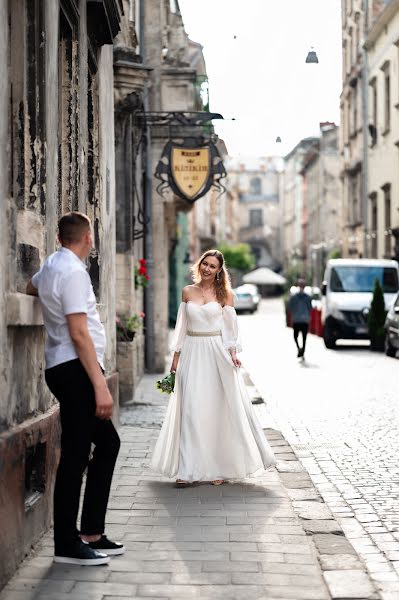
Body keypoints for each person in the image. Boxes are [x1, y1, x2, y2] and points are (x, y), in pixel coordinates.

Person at [26, 212, 124, 566]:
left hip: (64, 367)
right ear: (88, 238)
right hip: (76, 370)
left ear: (59, 236)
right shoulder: (74, 272)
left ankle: (91, 532)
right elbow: (79, 332)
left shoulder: (53, 265)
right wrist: (100, 385)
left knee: (107, 444)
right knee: (75, 457)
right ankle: (67, 544)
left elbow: (31, 288)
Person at [151, 249, 276, 485]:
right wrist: (175, 363)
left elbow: (230, 330)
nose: (207, 268)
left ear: (219, 270)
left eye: (213, 266)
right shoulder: (187, 291)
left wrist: (233, 354)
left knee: (217, 412)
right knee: (190, 410)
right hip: (191, 352)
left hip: (216, 354)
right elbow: (181, 329)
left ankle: (219, 468)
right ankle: (186, 471)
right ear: (200, 265)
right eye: (205, 264)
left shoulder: (226, 295)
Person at [288, 278, 313, 359]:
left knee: (296, 336)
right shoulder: (308, 297)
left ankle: (300, 349)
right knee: (304, 338)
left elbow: (290, 308)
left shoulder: (294, 297)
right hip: (305, 319)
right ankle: (302, 351)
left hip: (297, 319)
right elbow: (310, 308)